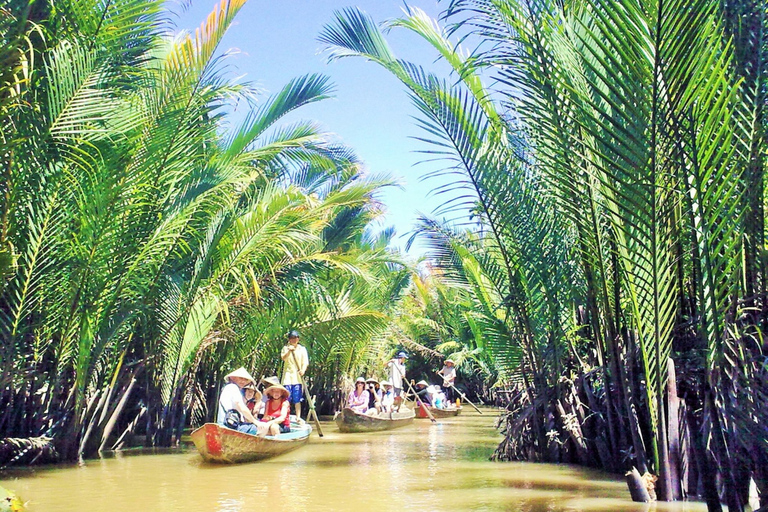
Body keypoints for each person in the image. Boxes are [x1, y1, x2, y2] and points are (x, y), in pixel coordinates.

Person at [217, 367, 267, 435]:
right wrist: (255, 422)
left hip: (229, 424)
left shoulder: (230, 388)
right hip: (228, 426)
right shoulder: (233, 387)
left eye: (245, 379)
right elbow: (240, 406)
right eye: (241, 378)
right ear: (233, 378)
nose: (243, 381)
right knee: (260, 428)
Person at [280, 330, 308, 422]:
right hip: (287, 378)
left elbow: (305, 362)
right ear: (289, 339)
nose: (294, 340)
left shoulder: (302, 349)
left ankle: (298, 417)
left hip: (297, 378)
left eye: (295, 338)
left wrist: (303, 370)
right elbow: (283, 358)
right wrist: (289, 351)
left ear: (298, 339)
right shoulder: (285, 348)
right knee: (286, 398)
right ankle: (285, 416)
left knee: (297, 399)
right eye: (292, 338)